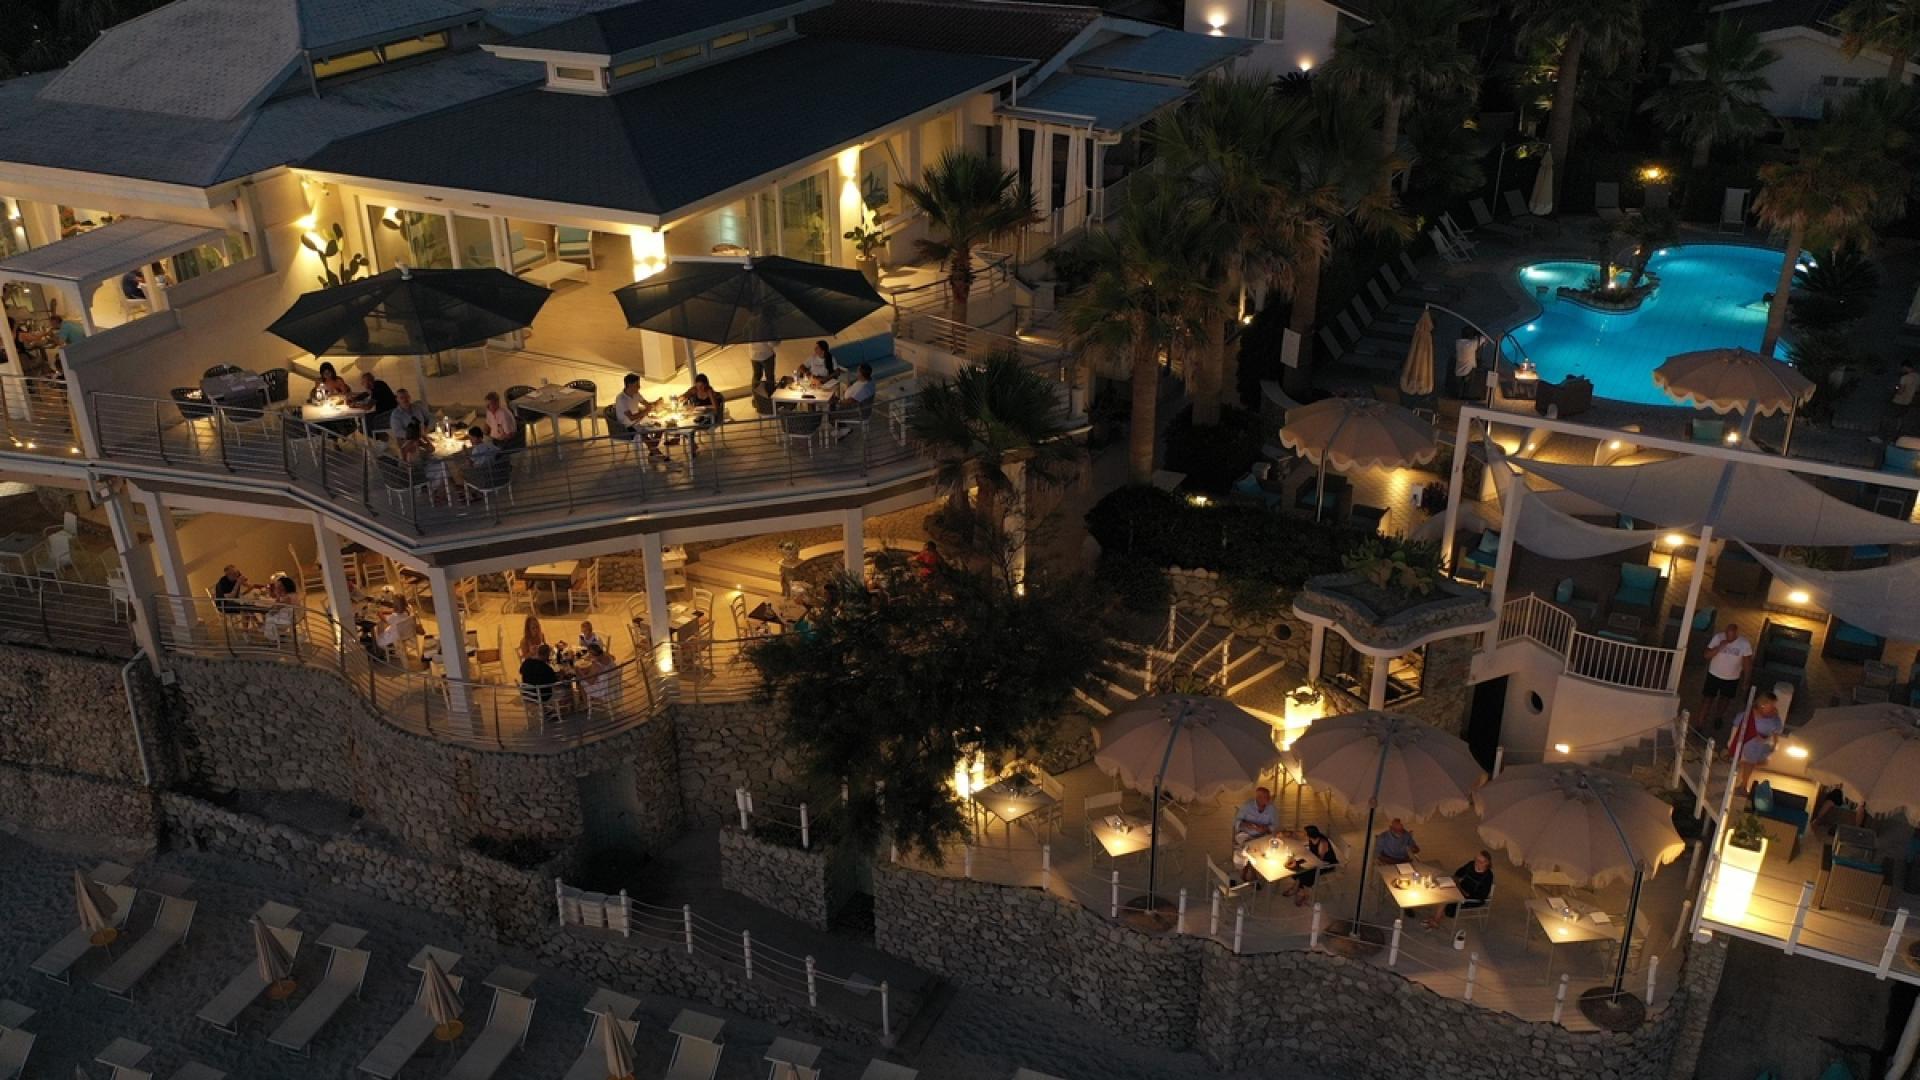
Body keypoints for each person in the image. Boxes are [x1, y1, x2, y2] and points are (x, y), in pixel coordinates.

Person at [1697, 622, 1754, 733]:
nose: (1728, 637)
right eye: (1727, 634)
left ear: (1736, 633)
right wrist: (1720, 646)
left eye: (1731, 635)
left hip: (1731, 678)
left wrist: (1746, 680)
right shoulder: (1718, 638)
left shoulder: (1744, 644)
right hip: (1714, 674)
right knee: (1707, 700)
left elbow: (1747, 664)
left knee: (1724, 700)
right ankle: (1700, 723)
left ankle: (1718, 717)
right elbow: (1706, 655)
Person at [1732, 691, 1785, 795]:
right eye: (1772, 705)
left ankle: (1743, 784)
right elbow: (1737, 726)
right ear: (1763, 704)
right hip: (1747, 743)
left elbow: (1776, 732)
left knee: (1750, 764)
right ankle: (1742, 784)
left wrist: (1774, 744)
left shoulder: (1773, 718)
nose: (1774, 708)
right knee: (1746, 763)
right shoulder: (1748, 715)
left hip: (1758, 746)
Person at [1425, 850, 1495, 928]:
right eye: (1476, 859)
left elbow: (1482, 895)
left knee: (1446, 898)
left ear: (1487, 863)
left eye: (1480, 861)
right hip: (1460, 888)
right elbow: (1460, 871)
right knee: (1443, 888)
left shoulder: (1488, 876)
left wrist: (1463, 892)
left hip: (1472, 898)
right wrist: (1456, 879)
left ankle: (1436, 920)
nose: (1476, 862)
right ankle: (1437, 918)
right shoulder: (1471, 864)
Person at [1280, 825, 1340, 907]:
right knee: (1294, 867)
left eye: (1305, 833)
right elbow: (1296, 834)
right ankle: (1296, 887)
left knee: (1305, 872)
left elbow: (1319, 861)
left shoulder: (1322, 843)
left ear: (1309, 835)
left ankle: (1302, 893)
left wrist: (1306, 862)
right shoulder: (1312, 838)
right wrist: (1285, 833)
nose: (1303, 834)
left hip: (1326, 864)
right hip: (1313, 859)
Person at [1234, 786, 1280, 884]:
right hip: (1245, 834)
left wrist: (1266, 828)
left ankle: (1245, 872)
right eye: (1266, 797)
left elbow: (1275, 825)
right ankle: (1254, 876)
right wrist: (1247, 824)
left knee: (1263, 851)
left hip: (1262, 835)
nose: (1268, 799)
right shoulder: (1247, 806)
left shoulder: (1271, 808)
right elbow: (1236, 822)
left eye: (1268, 797)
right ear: (1258, 798)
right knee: (1250, 850)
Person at [1453, 328, 1483, 399]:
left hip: (1458, 369)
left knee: (1459, 386)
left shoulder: (1458, 343)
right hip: (1469, 370)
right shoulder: (1472, 344)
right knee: (1467, 385)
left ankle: (1458, 396)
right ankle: (1464, 396)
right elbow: (1483, 338)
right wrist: (1478, 334)